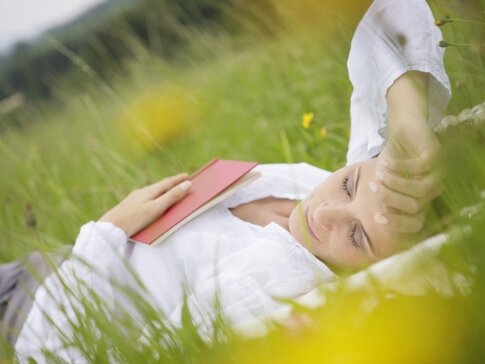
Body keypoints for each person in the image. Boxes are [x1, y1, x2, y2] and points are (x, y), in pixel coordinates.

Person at [3, 0, 451, 362]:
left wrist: (106, 231)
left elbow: (73, 353)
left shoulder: (268, 291)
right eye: (350, 186)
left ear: (377, 270)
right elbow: (393, 10)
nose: (328, 211)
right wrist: (408, 118)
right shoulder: (325, 182)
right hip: (57, 265)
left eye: (357, 236)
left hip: (40, 312)